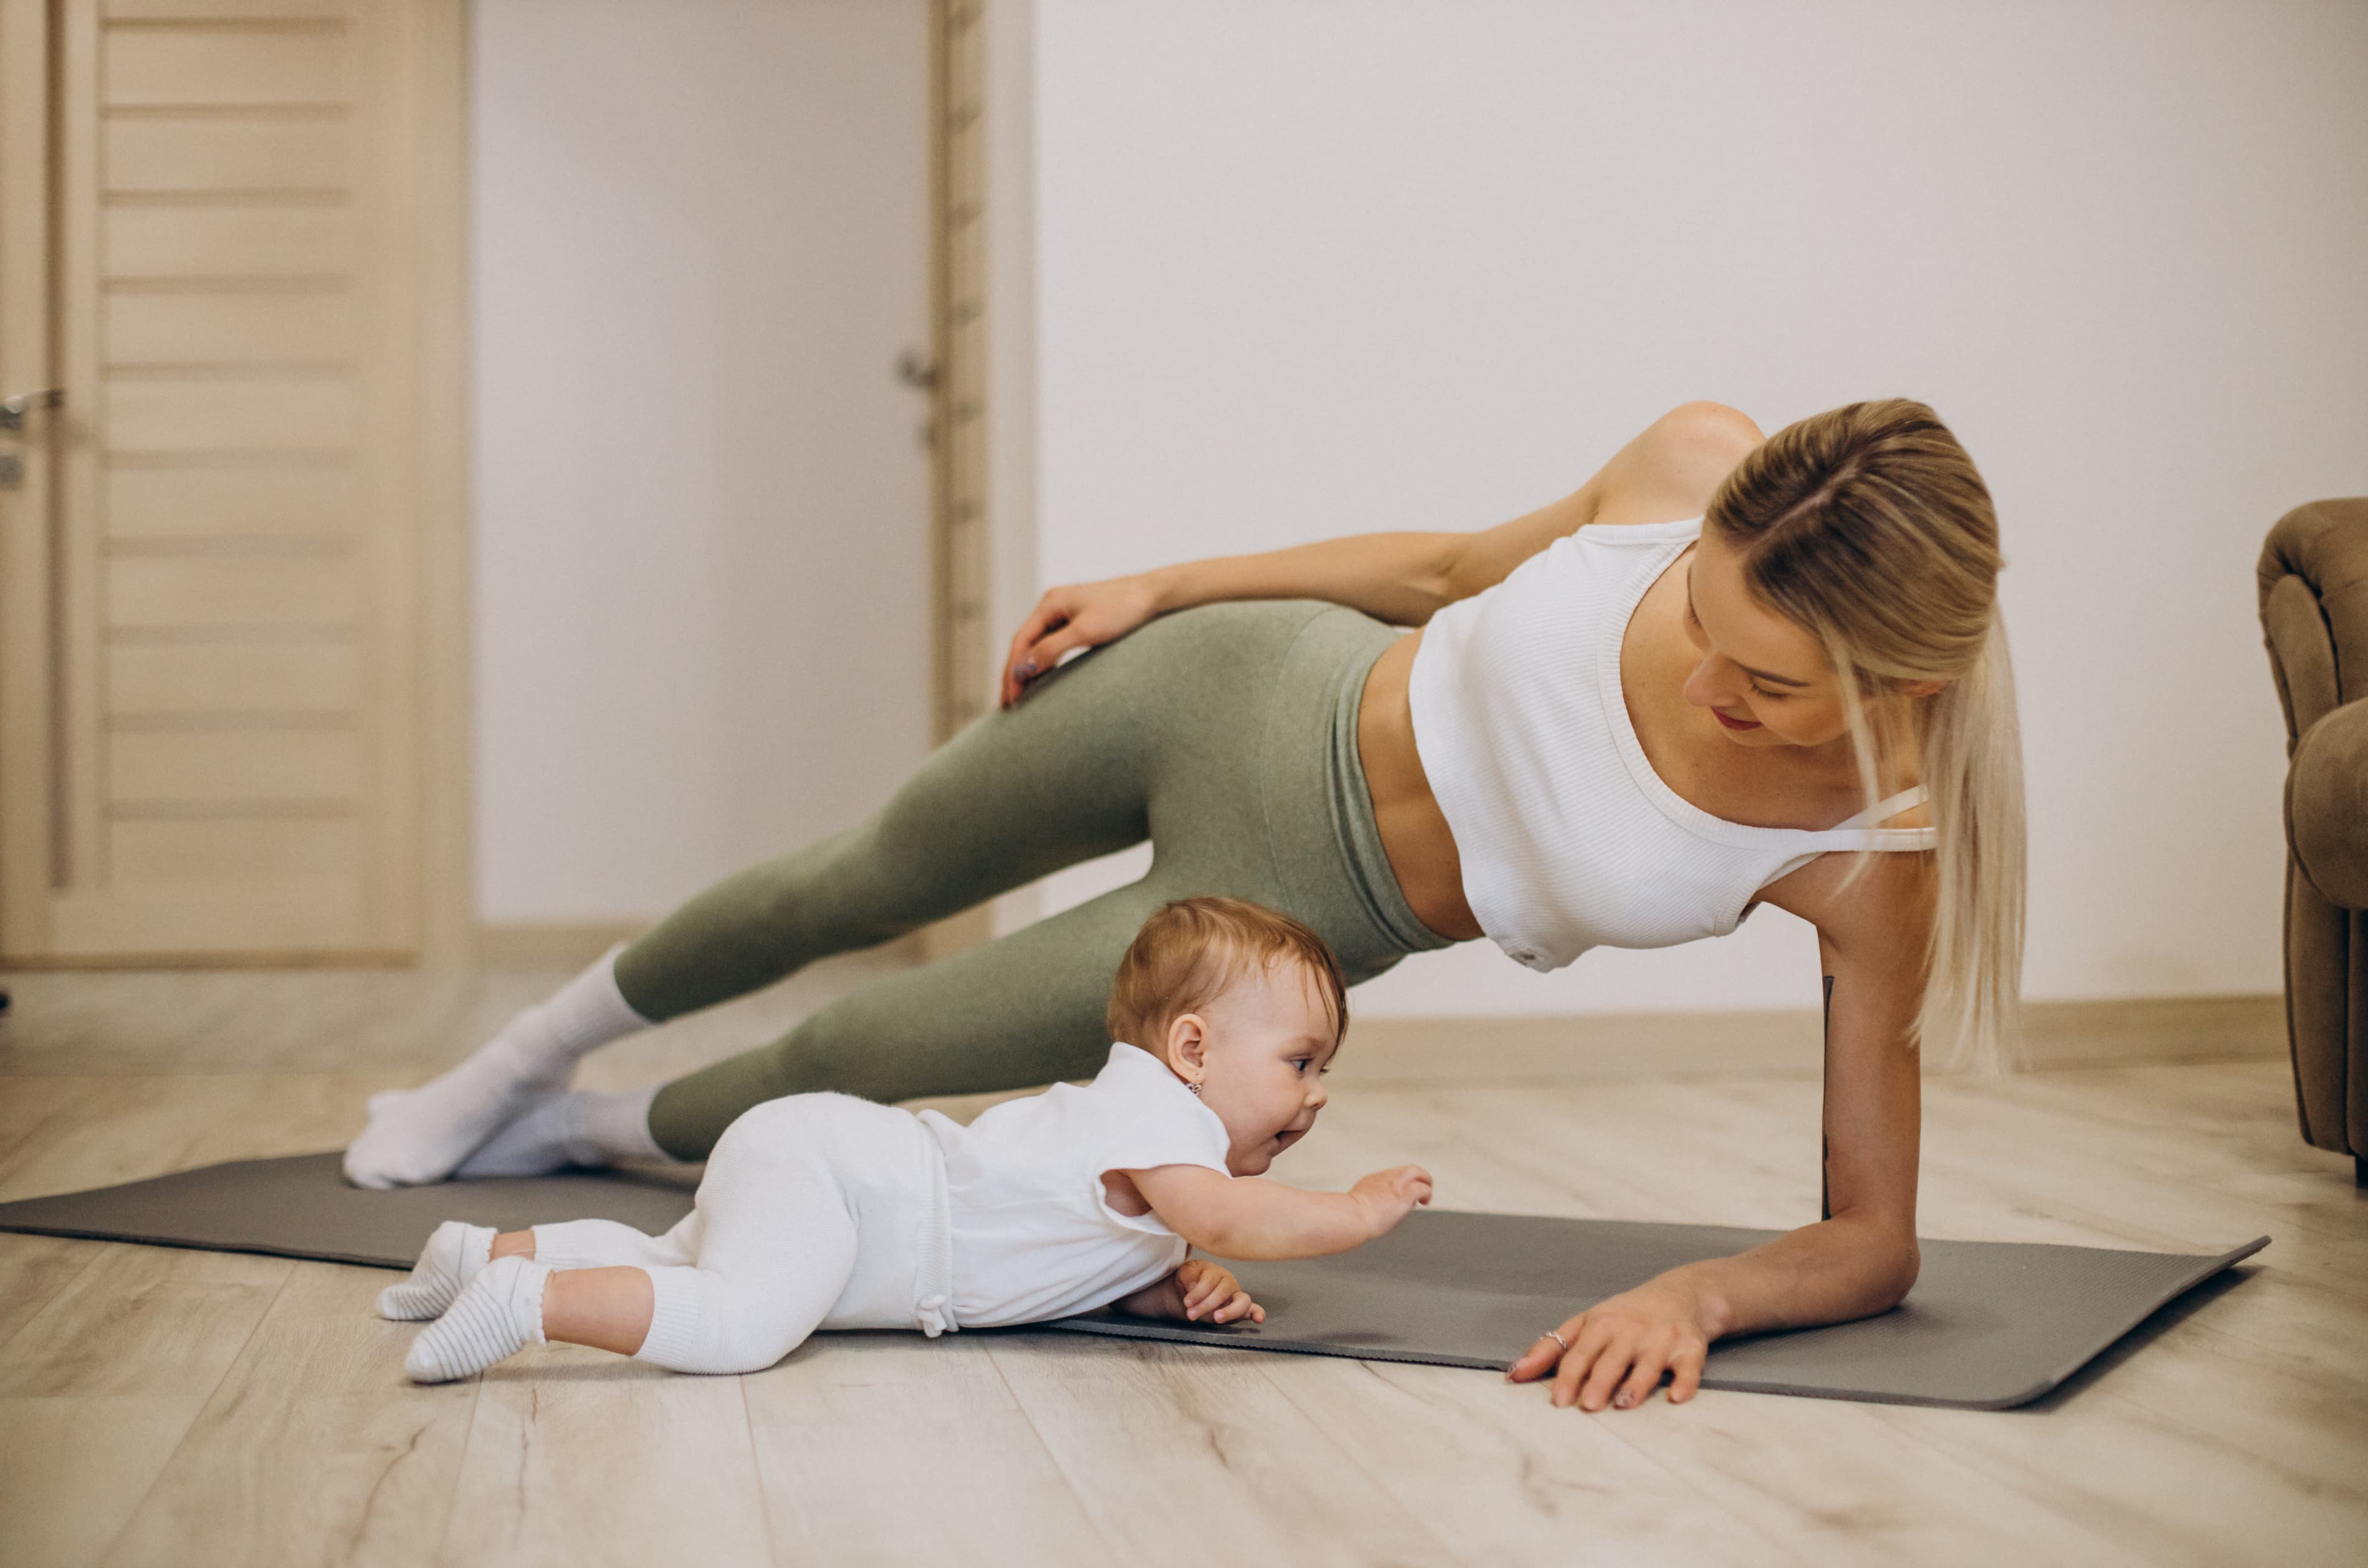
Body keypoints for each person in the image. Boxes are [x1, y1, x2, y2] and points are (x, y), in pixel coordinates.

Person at [347, 396, 2023, 1413]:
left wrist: (1699, 1293)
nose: (1705, 673)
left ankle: (588, 1126)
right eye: (1703, 621)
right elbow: (1448, 573)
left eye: (1770, 682)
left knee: (853, 1052)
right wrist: (1168, 581)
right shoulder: (1693, 459)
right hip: (1241, 683)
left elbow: (1875, 1234)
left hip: (1275, 915)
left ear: (1912, 675)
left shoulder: (1872, 854)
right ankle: (509, 1061)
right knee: (847, 880)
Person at [381, 898, 1432, 1382]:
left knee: (676, 1260)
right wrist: (1351, 1211)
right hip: (851, 1190)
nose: (1317, 1096)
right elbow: (1225, 1212)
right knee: (741, 1324)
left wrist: (1168, 1287)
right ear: (1192, 1047)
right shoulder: (1159, 1119)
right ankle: (532, 1304)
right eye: (1301, 1062)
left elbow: (1089, 1247)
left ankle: (485, 1253)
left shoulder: (1150, 1144)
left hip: (829, 1167)